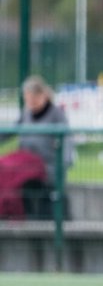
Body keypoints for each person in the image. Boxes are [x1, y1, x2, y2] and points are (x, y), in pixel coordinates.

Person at [0, 76, 76, 220]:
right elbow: (10, 131)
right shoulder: (26, 114)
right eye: (28, 98)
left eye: (34, 97)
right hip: (24, 163)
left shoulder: (56, 115)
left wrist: (64, 162)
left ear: (44, 95)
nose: (31, 102)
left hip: (44, 165)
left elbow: (67, 139)